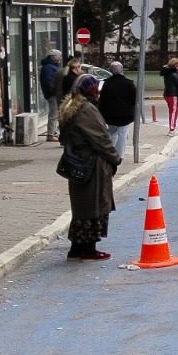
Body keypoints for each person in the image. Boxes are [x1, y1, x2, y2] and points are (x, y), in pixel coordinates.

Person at [60, 74, 120, 261]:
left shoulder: (70, 107)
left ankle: (77, 248)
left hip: (79, 164)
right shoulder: (87, 110)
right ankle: (88, 249)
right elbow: (101, 139)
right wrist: (115, 158)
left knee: (82, 207)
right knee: (93, 205)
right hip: (92, 166)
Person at [97, 61, 138, 162]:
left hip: (110, 115)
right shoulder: (128, 84)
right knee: (123, 134)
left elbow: (102, 100)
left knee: (112, 133)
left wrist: (102, 113)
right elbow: (135, 99)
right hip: (126, 115)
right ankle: (120, 155)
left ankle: (110, 152)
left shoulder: (107, 84)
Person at [39, 50, 63, 142]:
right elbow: (48, 83)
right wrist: (54, 91)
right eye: (59, 56)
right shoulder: (49, 68)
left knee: (55, 113)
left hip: (53, 94)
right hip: (52, 94)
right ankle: (51, 134)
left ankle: (53, 133)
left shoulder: (50, 67)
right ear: (55, 58)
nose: (60, 58)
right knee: (54, 114)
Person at [160, 57, 178, 135]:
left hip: (169, 94)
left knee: (173, 111)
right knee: (173, 112)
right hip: (172, 94)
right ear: (176, 65)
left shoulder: (168, 73)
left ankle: (172, 128)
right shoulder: (173, 74)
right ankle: (172, 130)